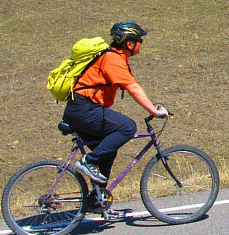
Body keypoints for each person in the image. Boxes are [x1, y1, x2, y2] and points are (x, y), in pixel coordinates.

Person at [63, 21, 168, 185]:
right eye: (140, 41)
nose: (141, 44)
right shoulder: (112, 59)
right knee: (127, 127)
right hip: (84, 109)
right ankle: (88, 161)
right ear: (130, 43)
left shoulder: (117, 58)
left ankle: (98, 201)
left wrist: (151, 107)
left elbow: (133, 86)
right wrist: (154, 111)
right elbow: (133, 88)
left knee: (108, 152)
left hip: (83, 110)